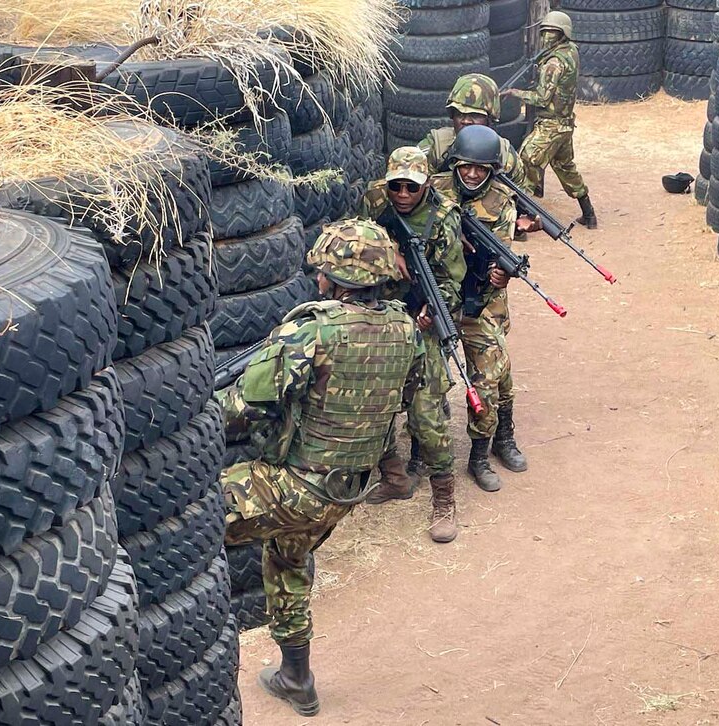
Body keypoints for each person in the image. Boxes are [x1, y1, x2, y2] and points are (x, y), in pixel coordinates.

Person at [218, 219, 425, 715]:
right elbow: (414, 394)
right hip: (344, 494)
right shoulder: (404, 330)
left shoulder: (313, 329)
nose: (316, 281)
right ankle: (296, 677)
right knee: (287, 559)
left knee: (182, 519)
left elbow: (243, 407)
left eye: (322, 272)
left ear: (334, 277)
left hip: (295, 486)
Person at [357, 147, 467, 543]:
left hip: (422, 318)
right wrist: (391, 257)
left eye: (411, 187)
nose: (402, 194)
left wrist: (432, 313)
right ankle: (395, 477)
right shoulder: (374, 201)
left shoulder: (443, 218)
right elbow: (354, 247)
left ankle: (444, 499)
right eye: (396, 186)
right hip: (379, 315)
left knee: (425, 413)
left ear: (425, 186)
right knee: (373, 402)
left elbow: (453, 282)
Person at [430, 124, 527, 493]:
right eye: (466, 166)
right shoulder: (433, 189)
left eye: (481, 169)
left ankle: (485, 450)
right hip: (439, 291)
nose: (472, 174)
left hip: (482, 298)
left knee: (492, 373)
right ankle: (421, 451)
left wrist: (501, 274)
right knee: (423, 373)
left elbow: (501, 250)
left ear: (491, 170)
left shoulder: (502, 201)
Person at [502, 10, 598, 229]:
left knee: (526, 159)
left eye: (552, 32)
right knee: (565, 167)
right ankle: (589, 214)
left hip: (551, 124)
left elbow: (542, 98)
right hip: (565, 123)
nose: (547, 37)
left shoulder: (553, 62)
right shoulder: (570, 51)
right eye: (545, 31)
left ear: (562, 34)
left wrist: (516, 93)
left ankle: (522, 218)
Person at [418, 72, 527, 185]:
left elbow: (518, 196)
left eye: (475, 115)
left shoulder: (505, 155)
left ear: (490, 119)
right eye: (460, 114)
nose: (466, 121)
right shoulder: (436, 146)